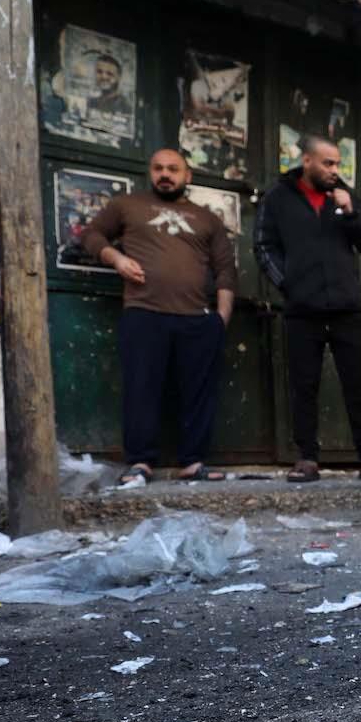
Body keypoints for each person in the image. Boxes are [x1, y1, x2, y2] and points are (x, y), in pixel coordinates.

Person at [79, 148, 235, 485]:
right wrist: (115, 259)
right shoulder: (128, 206)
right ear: (150, 172)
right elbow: (91, 234)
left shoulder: (207, 218)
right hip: (144, 312)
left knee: (198, 392)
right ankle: (140, 463)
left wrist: (221, 319)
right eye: (159, 168)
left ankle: (193, 462)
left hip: (197, 318)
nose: (166, 174)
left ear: (187, 176)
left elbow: (225, 270)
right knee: (141, 388)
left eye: (173, 169)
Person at [255, 135, 361, 484]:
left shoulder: (345, 196)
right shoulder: (278, 197)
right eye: (328, 163)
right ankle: (307, 458)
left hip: (347, 309)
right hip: (302, 311)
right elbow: (263, 245)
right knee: (304, 386)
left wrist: (351, 213)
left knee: (357, 388)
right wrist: (290, 284)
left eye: (337, 164)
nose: (335, 170)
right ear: (307, 162)